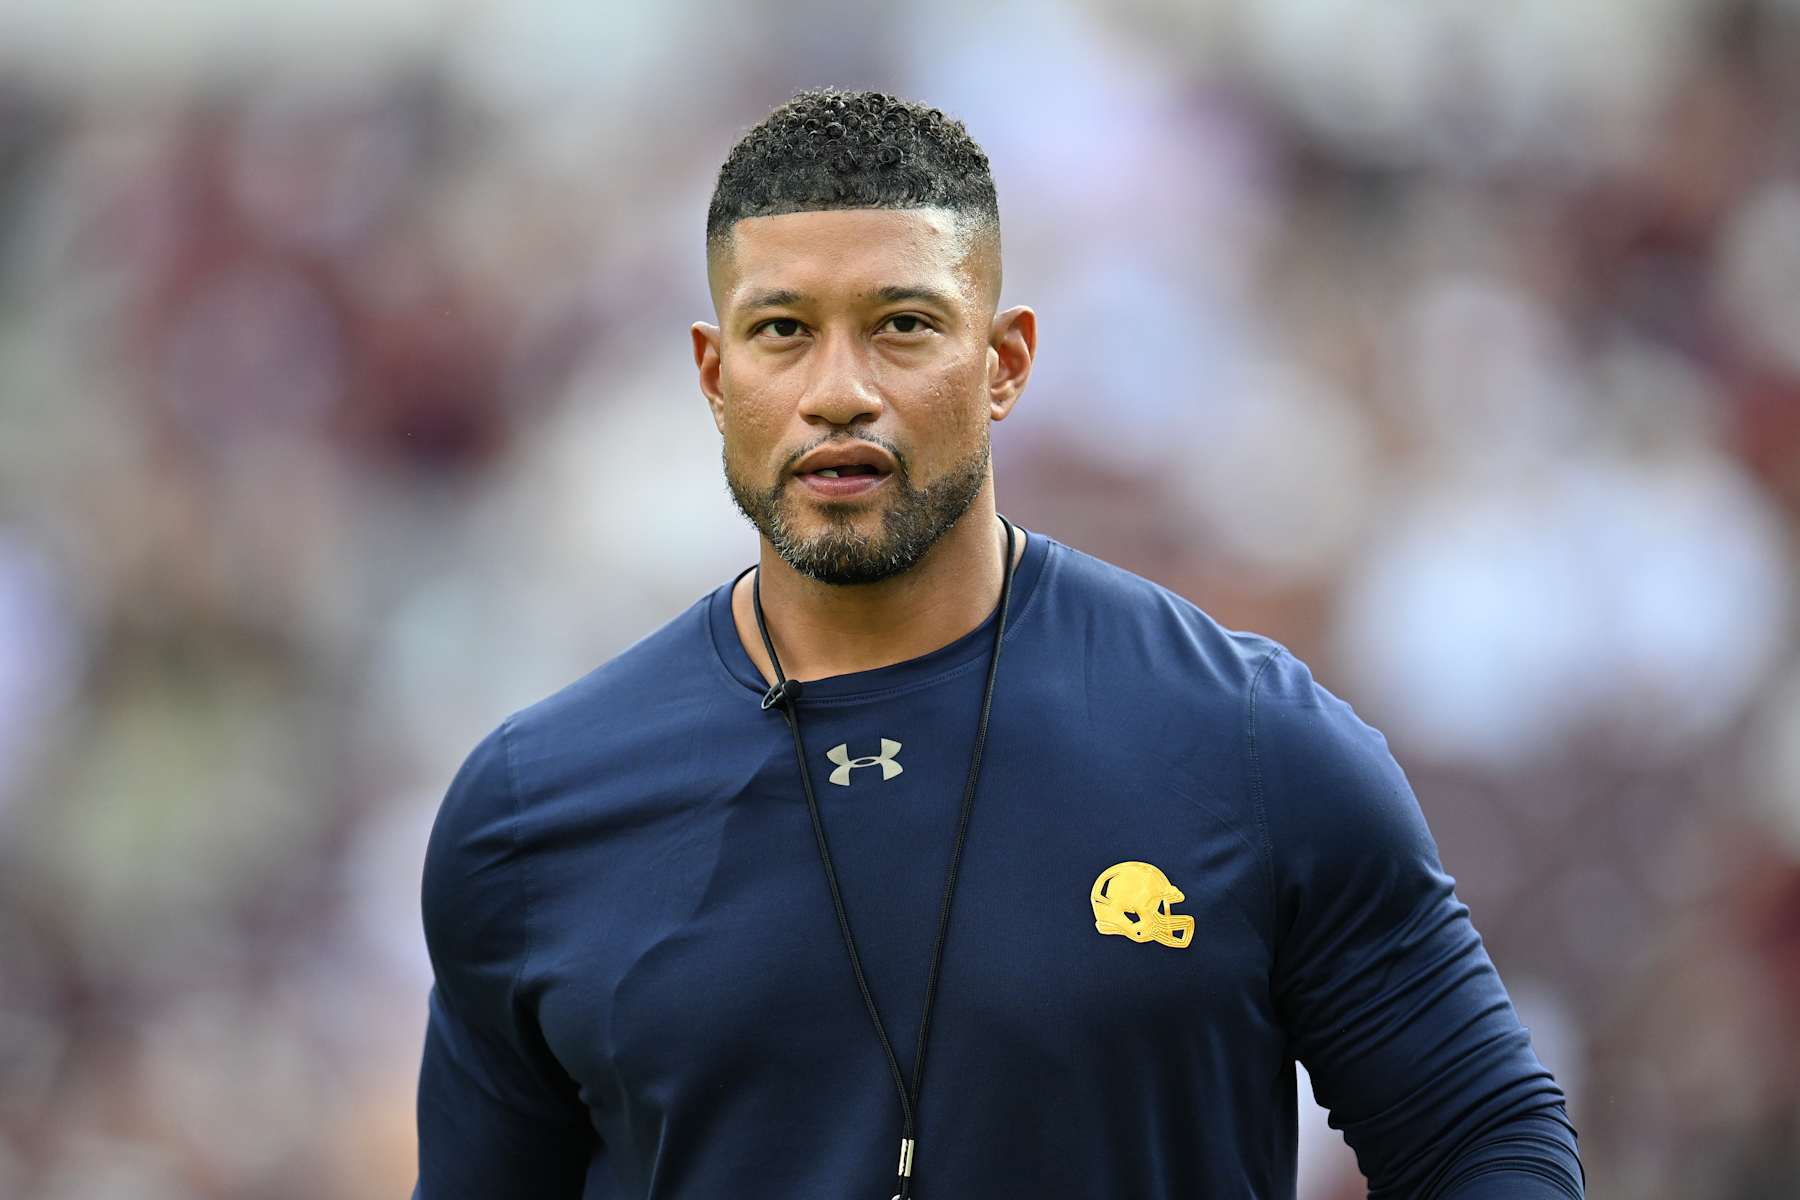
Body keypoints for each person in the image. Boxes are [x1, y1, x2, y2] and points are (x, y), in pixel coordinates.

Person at [413, 88, 1585, 1199]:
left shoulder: (1247, 743)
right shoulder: (534, 813)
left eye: (903, 327)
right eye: (782, 331)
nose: (839, 392)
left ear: (1005, 362)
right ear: (718, 377)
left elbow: (1489, 1137)